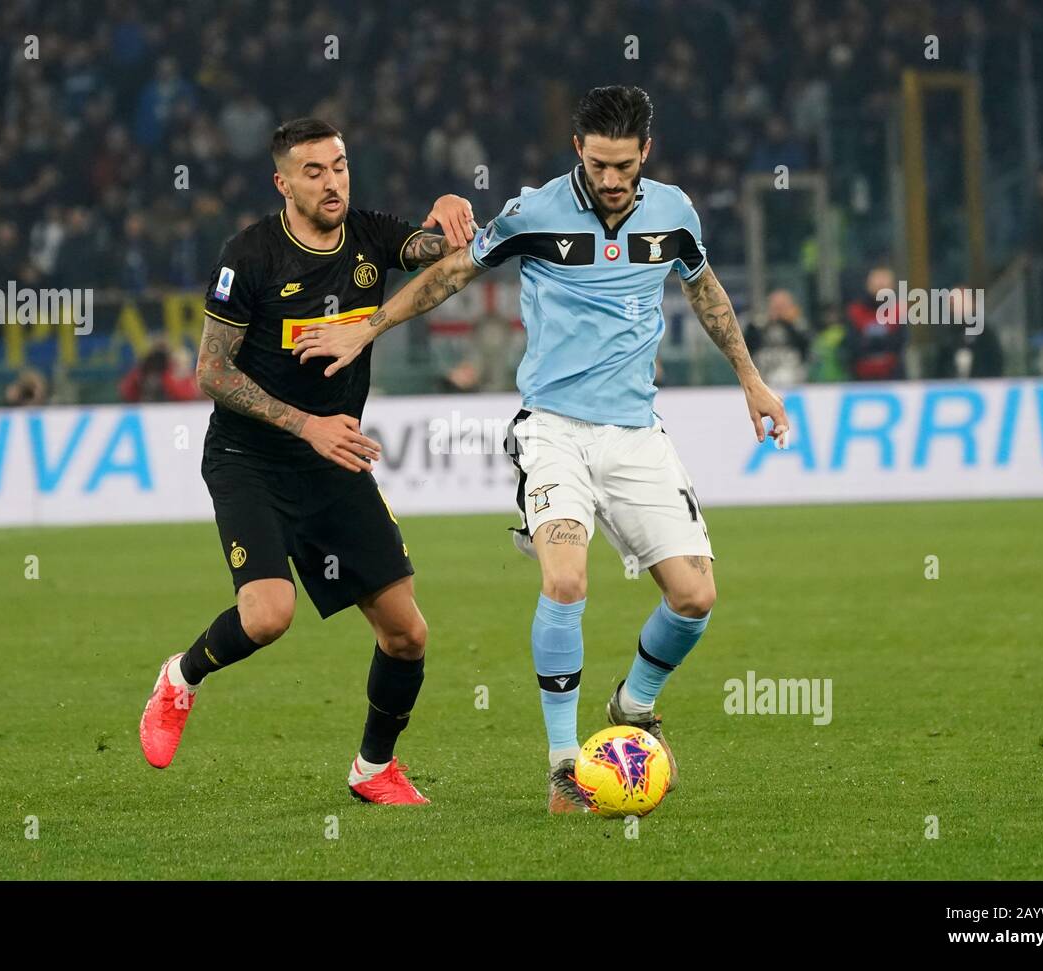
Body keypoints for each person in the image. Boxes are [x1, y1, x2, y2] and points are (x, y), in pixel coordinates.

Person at [294, 87, 789, 814]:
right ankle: (564, 766)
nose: (611, 178)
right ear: (577, 152)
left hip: (636, 433)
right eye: (597, 163)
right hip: (552, 428)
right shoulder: (535, 214)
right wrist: (366, 328)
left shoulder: (675, 214)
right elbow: (450, 274)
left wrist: (752, 379)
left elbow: (705, 288)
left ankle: (633, 701)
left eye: (623, 165)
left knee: (694, 597)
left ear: (645, 154)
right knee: (564, 579)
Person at [138, 118, 476, 805]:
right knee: (267, 614)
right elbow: (212, 371)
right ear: (283, 182)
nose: (332, 182)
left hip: (332, 462)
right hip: (249, 458)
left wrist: (448, 216)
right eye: (315, 171)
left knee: (407, 633)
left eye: (341, 166)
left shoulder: (375, 236)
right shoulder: (249, 257)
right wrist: (306, 425)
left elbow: (446, 260)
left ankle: (373, 767)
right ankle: (181, 677)